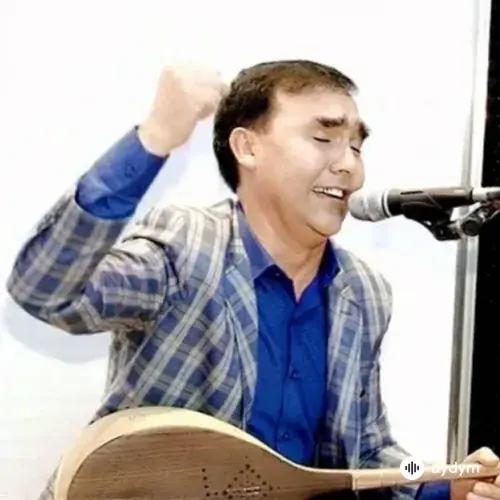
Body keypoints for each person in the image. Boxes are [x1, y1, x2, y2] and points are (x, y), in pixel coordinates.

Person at [7, 60, 500, 500]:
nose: (349, 165)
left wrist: (442, 480)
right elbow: (45, 291)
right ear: (247, 147)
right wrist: (154, 137)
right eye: (324, 138)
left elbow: (369, 454)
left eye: (356, 145)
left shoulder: (363, 293)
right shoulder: (185, 246)